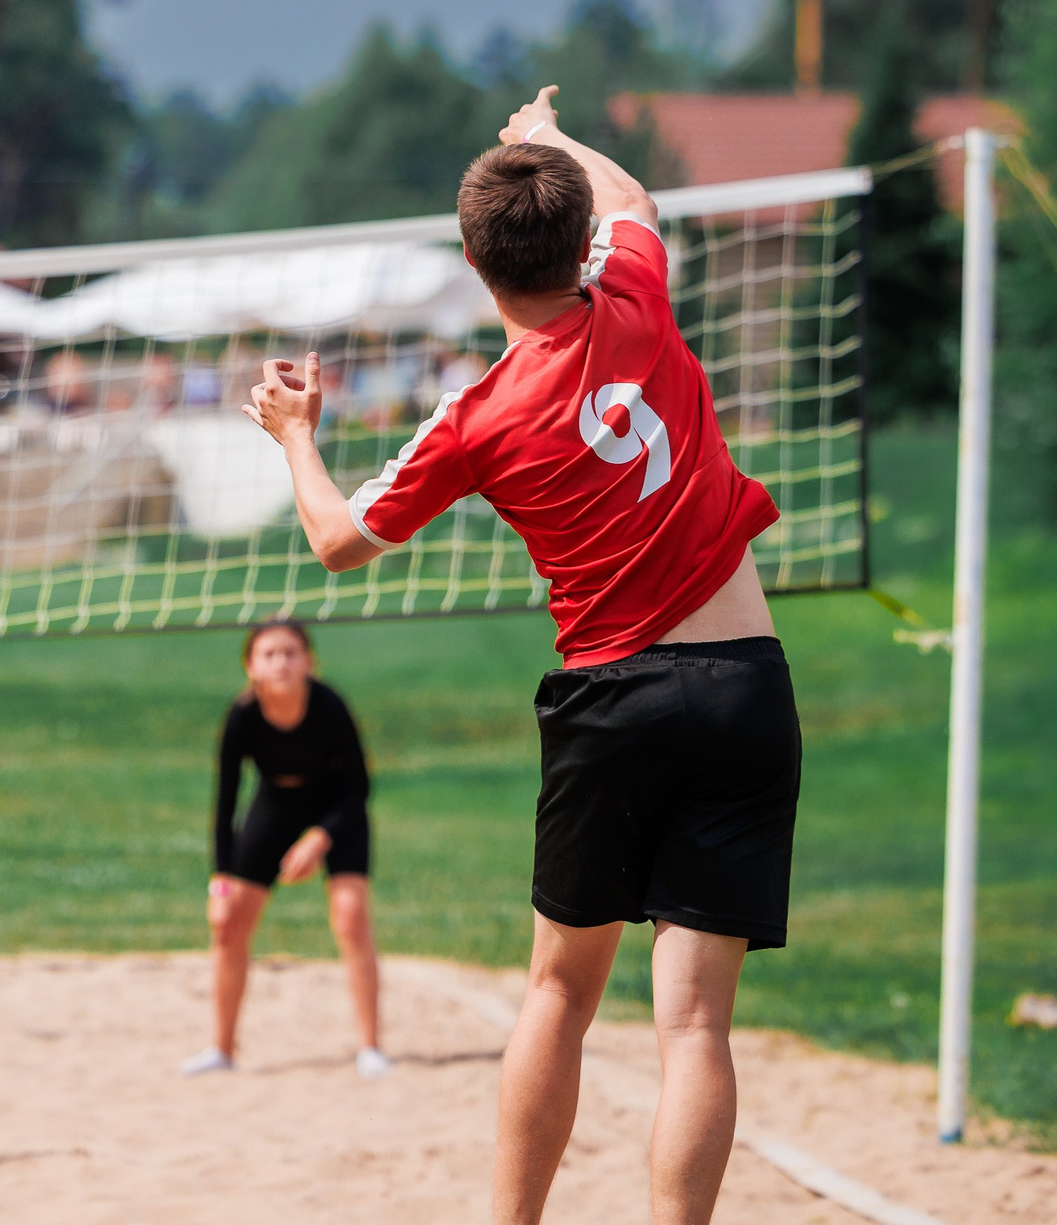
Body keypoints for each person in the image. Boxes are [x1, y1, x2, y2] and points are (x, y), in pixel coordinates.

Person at [242, 84, 801, 1225]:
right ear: (578, 238)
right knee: (695, 1024)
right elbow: (633, 194)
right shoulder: (637, 293)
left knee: (557, 993)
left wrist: (296, 437)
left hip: (619, 698)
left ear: (471, 259)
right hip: (746, 683)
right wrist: (542, 138)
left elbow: (338, 541)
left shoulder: (480, 416)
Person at [181, 618, 388, 1080]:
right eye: (269, 654)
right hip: (275, 806)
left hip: (336, 810)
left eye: (291, 652)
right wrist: (219, 883)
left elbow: (359, 786)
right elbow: (225, 803)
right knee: (229, 925)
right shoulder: (242, 715)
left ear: (309, 662)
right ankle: (221, 1048)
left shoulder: (329, 705)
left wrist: (318, 839)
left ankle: (371, 1048)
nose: (281, 662)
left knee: (351, 917)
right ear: (250, 667)